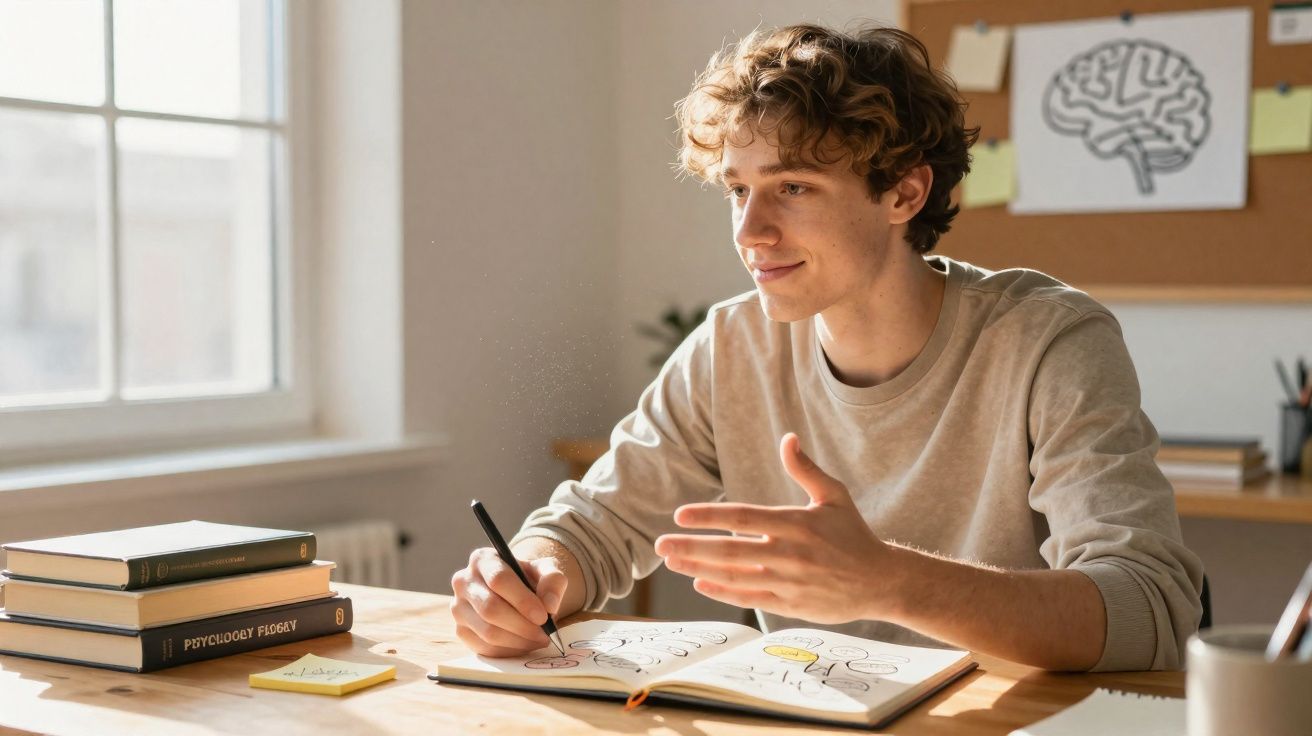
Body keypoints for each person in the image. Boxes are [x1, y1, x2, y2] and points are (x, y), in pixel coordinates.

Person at [449, 23, 1203, 672]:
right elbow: (594, 526)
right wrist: (529, 580)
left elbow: (1151, 608)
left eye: (794, 188)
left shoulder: (1047, 341)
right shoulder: (730, 346)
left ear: (905, 194)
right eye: (737, 190)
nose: (749, 233)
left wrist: (888, 581)